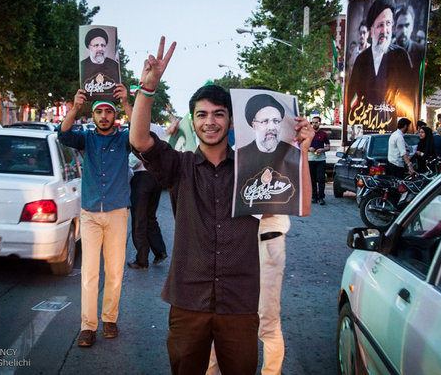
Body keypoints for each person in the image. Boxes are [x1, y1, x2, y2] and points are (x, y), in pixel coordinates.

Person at [129, 36, 312, 374]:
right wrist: (148, 89)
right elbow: (140, 140)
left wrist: (300, 149)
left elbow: (299, 202)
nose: (209, 121)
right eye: (201, 115)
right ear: (192, 121)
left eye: (218, 114)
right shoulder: (180, 166)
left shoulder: (254, 168)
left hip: (239, 302)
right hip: (187, 300)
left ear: (230, 121)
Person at [57, 84, 132, 347]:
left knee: (114, 271)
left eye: (107, 112)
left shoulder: (124, 139)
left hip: (116, 213)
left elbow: (141, 133)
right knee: (89, 272)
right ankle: (88, 326)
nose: (103, 116)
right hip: (89, 214)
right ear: (94, 115)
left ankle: (110, 319)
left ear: (114, 116)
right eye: (98, 111)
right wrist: (75, 107)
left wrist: (126, 102)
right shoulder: (86, 138)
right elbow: (63, 135)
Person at [207, 214, 290, 375]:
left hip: (266, 240)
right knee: (221, 313)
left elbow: (301, 204)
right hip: (233, 240)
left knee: (268, 321)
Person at [346, 0, 415, 133]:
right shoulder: (361, 59)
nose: (385, 31)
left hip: (392, 125)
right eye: (380, 25)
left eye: (388, 24)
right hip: (366, 125)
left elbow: (409, 97)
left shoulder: (401, 56)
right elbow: (351, 96)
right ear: (371, 30)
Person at [235, 93, 302, 209]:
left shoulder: (292, 153)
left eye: (276, 121)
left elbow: (302, 205)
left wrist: (305, 149)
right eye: (265, 121)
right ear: (254, 125)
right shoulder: (239, 157)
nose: (272, 127)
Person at [127, 123, 168, 270]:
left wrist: (128, 165)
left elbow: (136, 156)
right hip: (156, 177)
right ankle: (160, 251)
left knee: (139, 219)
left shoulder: (138, 127)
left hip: (141, 177)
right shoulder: (159, 129)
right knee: (150, 216)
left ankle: (141, 259)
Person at [80, 27, 121, 101]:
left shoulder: (114, 65)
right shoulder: (82, 66)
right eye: (96, 45)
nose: (100, 49)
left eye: (103, 45)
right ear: (89, 47)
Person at [308, 116, 330, 205]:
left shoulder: (324, 134)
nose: (314, 124)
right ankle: (314, 197)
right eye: (313, 122)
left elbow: (328, 147)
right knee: (312, 179)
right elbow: (302, 147)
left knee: (321, 179)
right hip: (310, 159)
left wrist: (322, 150)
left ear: (319, 123)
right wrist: (309, 148)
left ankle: (321, 197)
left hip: (320, 160)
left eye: (316, 122)